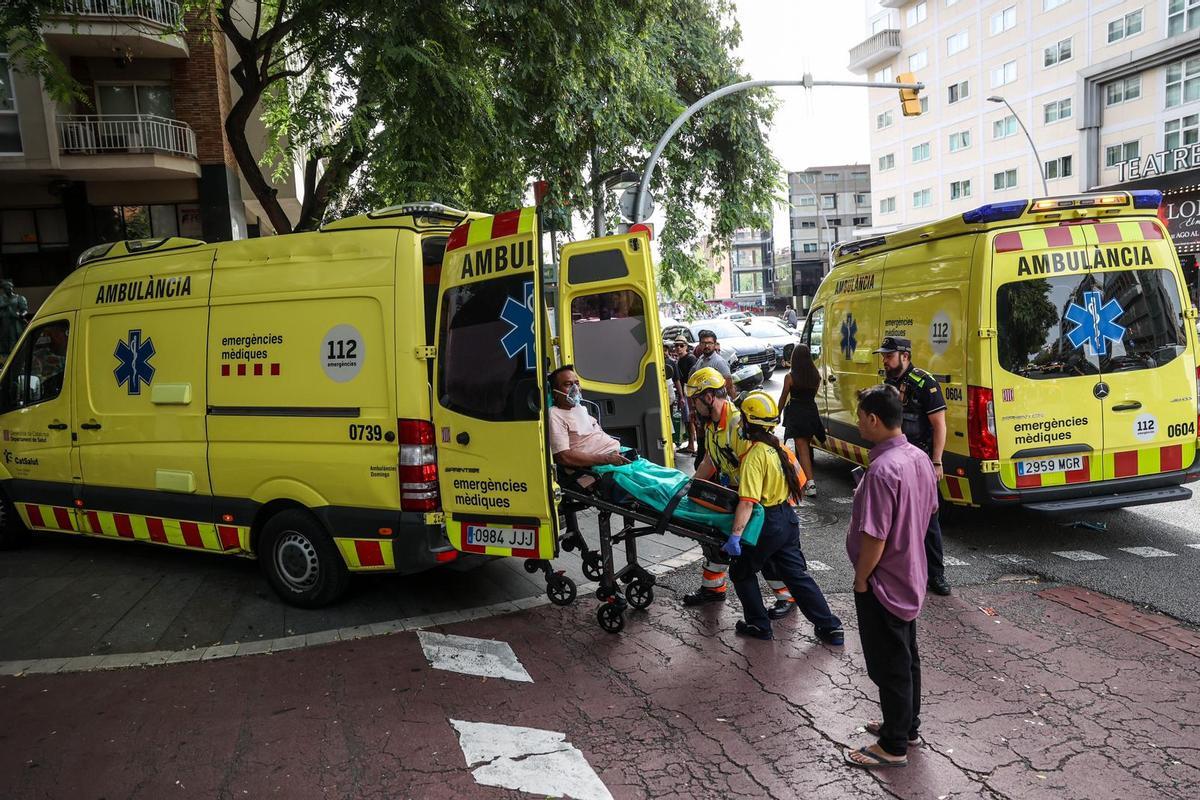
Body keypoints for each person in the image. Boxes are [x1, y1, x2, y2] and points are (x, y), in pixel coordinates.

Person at [843, 385, 938, 769]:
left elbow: (875, 536)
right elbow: (929, 512)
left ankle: (893, 744)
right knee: (906, 655)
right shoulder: (918, 458)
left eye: (860, 415)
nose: (858, 422)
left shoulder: (883, 469)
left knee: (889, 663)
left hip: (885, 580)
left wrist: (861, 579)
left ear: (874, 419)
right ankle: (906, 725)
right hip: (911, 574)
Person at [722, 391, 843, 644]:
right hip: (787, 519)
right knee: (797, 576)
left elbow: (747, 502)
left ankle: (758, 625)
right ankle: (830, 627)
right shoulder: (777, 449)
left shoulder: (755, 455)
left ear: (748, 422)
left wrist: (735, 536)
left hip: (765, 523)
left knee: (741, 571)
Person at [681, 368, 797, 618]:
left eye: (695, 399)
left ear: (709, 397)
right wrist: (690, 485)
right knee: (715, 540)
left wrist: (745, 508)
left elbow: (755, 466)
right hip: (737, 492)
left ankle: (786, 596)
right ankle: (713, 588)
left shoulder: (736, 422)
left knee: (763, 550)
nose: (693, 404)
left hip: (757, 496)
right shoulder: (713, 424)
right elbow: (711, 461)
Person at [875, 336, 951, 597]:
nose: (884, 360)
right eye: (883, 355)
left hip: (920, 462)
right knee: (894, 520)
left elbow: (939, 425)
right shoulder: (887, 385)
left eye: (889, 355)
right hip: (894, 463)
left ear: (904, 356)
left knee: (929, 521)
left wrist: (937, 461)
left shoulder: (924, 383)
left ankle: (936, 575)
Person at [547, 365, 628, 468]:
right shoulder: (555, 415)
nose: (575, 388)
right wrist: (607, 459)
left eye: (576, 383)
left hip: (616, 456)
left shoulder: (580, 409)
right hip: (601, 467)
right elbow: (563, 456)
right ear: (555, 393)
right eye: (568, 384)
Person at [778, 343, 824, 497]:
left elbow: (784, 397)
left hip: (797, 413)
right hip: (811, 412)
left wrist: (776, 414)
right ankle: (803, 479)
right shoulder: (815, 375)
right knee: (804, 446)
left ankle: (810, 484)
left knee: (802, 448)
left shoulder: (790, 377)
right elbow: (812, 395)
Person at [672, 338, 697, 453]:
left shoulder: (690, 359)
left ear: (686, 346)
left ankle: (692, 444)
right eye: (676, 345)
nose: (678, 348)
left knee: (690, 419)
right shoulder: (678, 360)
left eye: (681, 345)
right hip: (684, 393)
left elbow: (694, 378)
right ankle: (691, 444)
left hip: (689, 394)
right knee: (687, 420)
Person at [0, 279, 29, 358]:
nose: (8, 289)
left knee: (16, 339)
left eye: (9, 287)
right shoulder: (1, 299)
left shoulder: (19, 298)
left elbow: (25, 310)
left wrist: (21, 315)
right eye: (5, 288)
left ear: (12, 288)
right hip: (4, 323)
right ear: (3, 289)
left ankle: (17, 356)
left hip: (15, 322)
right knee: (4, 341)